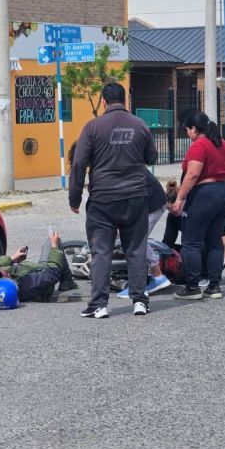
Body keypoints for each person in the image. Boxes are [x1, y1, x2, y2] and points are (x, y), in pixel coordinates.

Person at [69, 81, 158, 318]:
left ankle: (99, 305)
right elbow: (152, 157)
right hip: (135, 197)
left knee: (101, 252)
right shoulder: (140, 126)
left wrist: (74, 198)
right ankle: (140, 300)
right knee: (136, 250)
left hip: (102, 201)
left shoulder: (92, 127)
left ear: (104, 102)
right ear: (125, 100)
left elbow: (78, 164)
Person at [171, 111, 225, 300]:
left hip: (204, 196)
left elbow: (192, 174)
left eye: (187, 130)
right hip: (223, 193)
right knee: (214, 241)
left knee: (191, 243)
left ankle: (192, 287)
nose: (187, 134)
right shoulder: (222, 144)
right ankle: (214, 287)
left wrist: (180, 198)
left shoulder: (199, 146)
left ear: (194, 129)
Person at [0, 231, 77, 303]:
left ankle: (67, 281)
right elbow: (51, 275)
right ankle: (67, 281)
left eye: (1, 270)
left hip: (30, 270)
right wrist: (54, 247)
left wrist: (12, 258)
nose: (6, 271)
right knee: (52, 242)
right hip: (44, 272)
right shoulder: (25, 285)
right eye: (7, 275)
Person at [116, 169, 171, 298]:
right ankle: (149, 279)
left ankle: (153, 279)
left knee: (136, 240)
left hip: (152, 203)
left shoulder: (115, 163)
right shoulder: (121, 156)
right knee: (138, 239)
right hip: (151, 200)